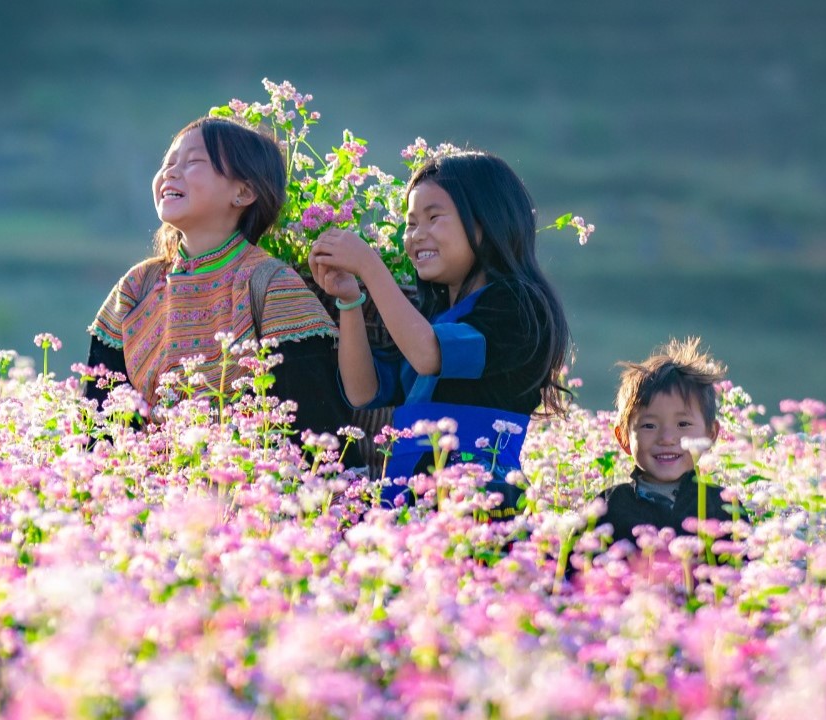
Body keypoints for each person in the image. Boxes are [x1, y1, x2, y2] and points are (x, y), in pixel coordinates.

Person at [308, 151, 571, 515]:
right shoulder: (430, 320)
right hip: (407, 497)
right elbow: (362, 391)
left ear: (486, 221)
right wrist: (351, 301)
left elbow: (429, 355)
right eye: (411, 223)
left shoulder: (518, 305)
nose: (417, 235)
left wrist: (370, 266)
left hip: (479, 498)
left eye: (434, 218)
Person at [84, 116, 352, 440]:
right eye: (168, 163)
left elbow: (313, 431)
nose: (170, 172)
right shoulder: (136, 288)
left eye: (194, 161)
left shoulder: (274, 288)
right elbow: (98, 430)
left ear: (243, 192)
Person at [591, 337, 732, 546]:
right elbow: (575, 572)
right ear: (623, 438)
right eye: (649, 425)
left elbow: (743, 573)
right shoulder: (609, 507)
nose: (666, 439)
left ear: (711, 434)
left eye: (683, 424)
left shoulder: (723, 507)